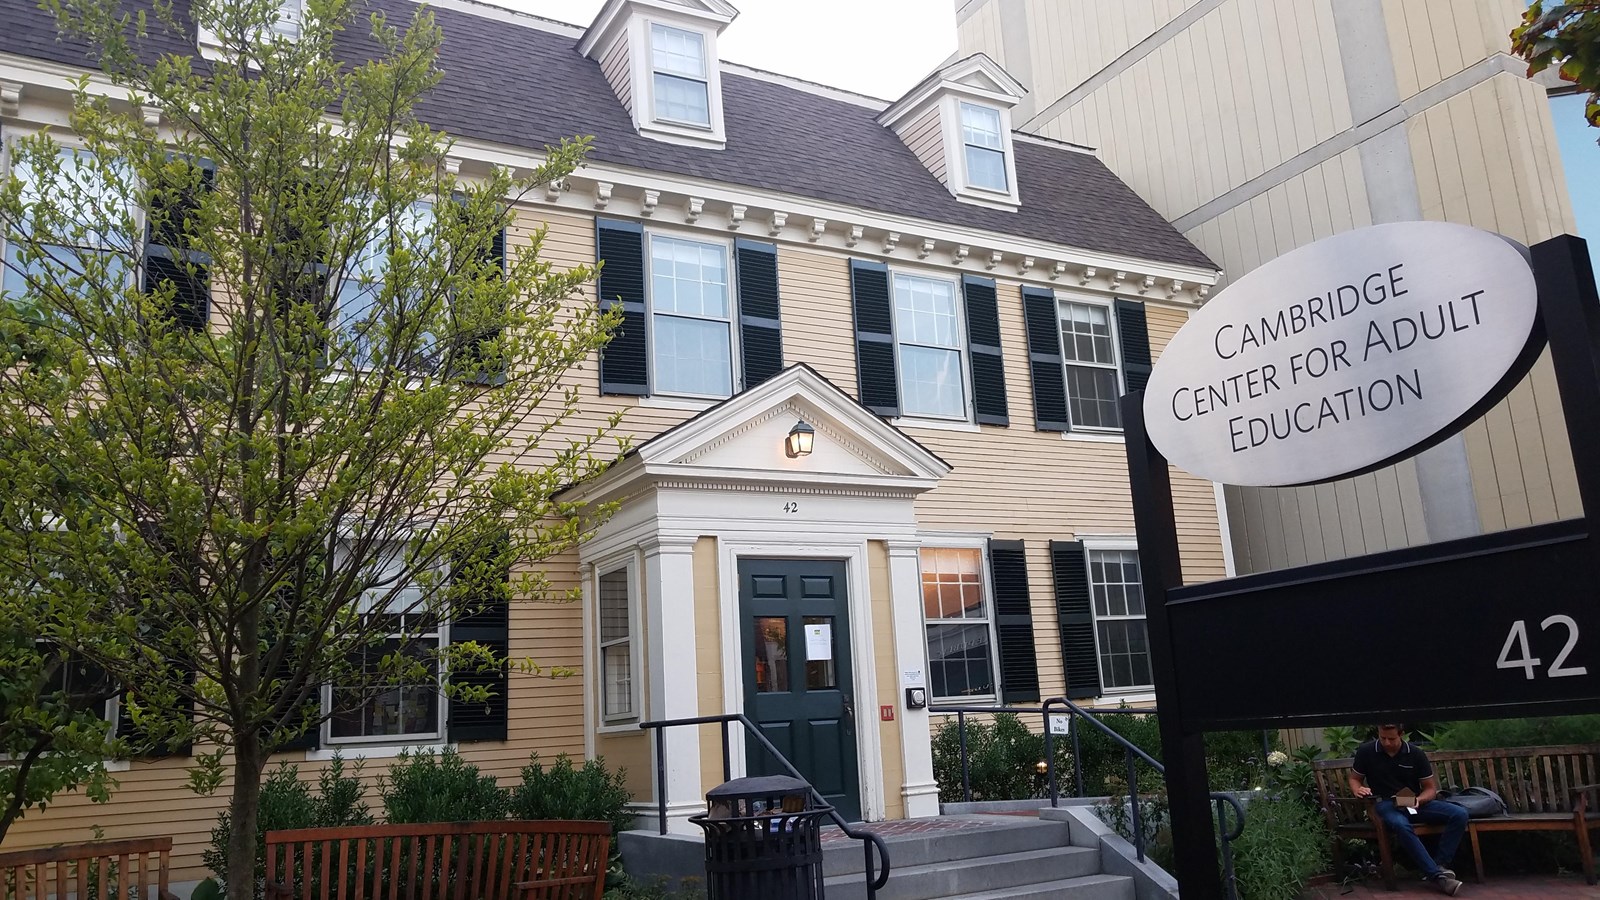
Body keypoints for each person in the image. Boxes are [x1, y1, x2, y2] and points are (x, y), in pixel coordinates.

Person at [1349, 723, 1468, 895]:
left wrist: (1419, 800)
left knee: (1459, 814)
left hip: (1412, 800)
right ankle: (1438, 877)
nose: (1387, 743)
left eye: (1392, 738)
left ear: (1402, 734)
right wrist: (1357, 789)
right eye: (1383, 738)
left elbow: (1430, 789)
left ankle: (1440, 865)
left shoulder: (1416, 754)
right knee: (1401, 825)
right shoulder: (1366, 752)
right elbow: (1354, 779)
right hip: (1385, 802)